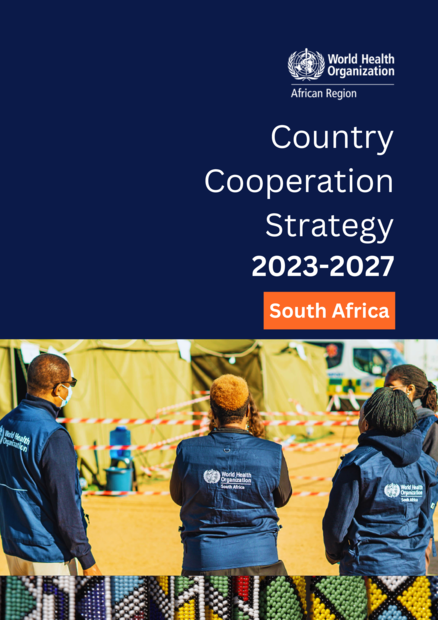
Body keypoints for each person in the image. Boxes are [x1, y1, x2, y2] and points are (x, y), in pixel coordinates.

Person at [170, 374, 292, 576]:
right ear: (248, 411)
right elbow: (282, 498)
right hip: (261, 559)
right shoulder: (272, 452)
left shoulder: (187, 451)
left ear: (212, 412)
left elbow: (178, 496)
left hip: (203, 561)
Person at [0, 353, 101, 576]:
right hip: (48, 553)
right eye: (70, 384)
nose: (70, 390)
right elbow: (66, 506)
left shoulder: (5, 424)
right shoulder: (53, 436)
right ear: (58, 389)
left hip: (13, 547)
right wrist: (87, 560)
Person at [322, 387, 438, 576]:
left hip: (365, 567)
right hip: (412, 567)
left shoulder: (357, 464)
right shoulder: (427, 465)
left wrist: (333, 554)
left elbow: (337, 522)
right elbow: (426, 518)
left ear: (366, 424)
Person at [385, 363, 438, 570]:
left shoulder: (431, 427)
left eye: (391, 387)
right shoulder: (389, 423)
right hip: (382, 527)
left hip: (415, 531)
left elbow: (430, 483)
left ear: (410, 389)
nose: (385, 393)